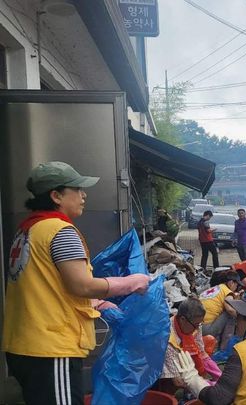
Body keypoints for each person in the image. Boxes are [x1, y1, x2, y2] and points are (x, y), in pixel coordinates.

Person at [2, 161, 150, 405]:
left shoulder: (27, 231)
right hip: (50, 348)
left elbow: (46, 285)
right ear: (56, 195)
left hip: (24, 345)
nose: (84, 195)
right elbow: (81, 285)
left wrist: (98, 302)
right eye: (77, 189)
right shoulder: (60, 231)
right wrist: (131, 282)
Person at [157, 297, 221, 394]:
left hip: (184, 359)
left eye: (199, 325)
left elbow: (202, 354)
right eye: (196, 325)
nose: (197, 329)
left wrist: (220, 377)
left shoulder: (194, 325)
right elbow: (177, 380)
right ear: (183, 319)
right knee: (170, 387)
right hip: (164, 370)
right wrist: (206, 386)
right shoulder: (168, 338)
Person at [200, 271, 243, 350]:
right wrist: (241, 318)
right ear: (231, 283)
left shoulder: (216, 288)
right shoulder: (227, 291)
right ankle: (224, 349)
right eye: (237, 285)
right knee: (230, 315)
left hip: (196, 326)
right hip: (206, 329)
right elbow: (230, 310)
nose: (236, 287)